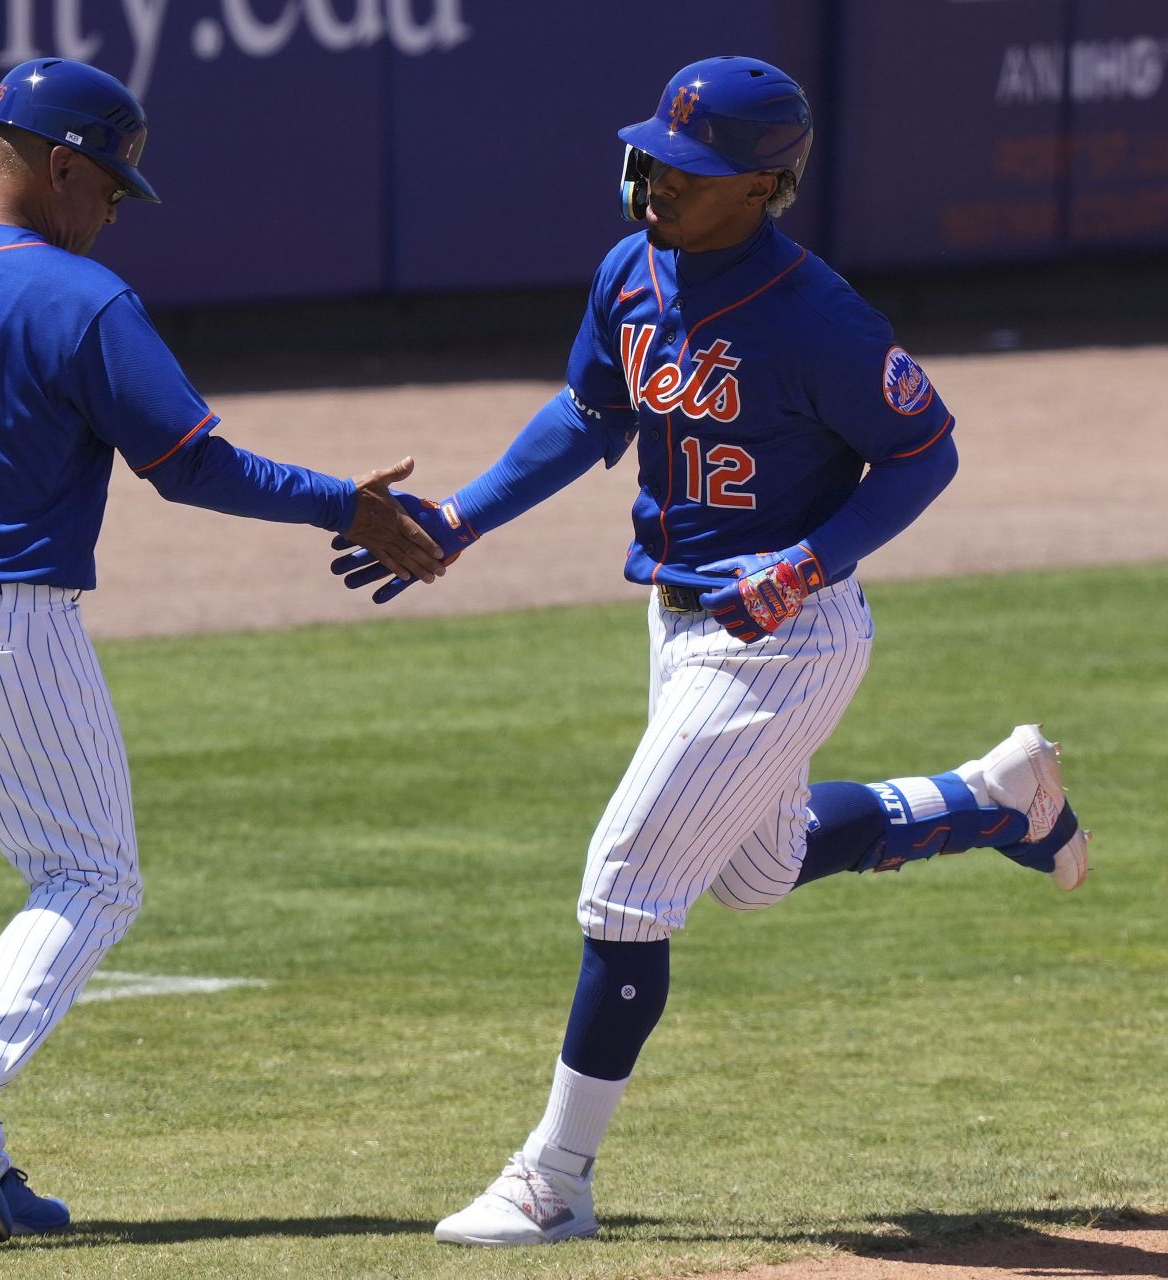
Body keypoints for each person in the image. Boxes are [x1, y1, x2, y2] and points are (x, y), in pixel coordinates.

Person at [329, 55, 1091, 1247]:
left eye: (689, 168)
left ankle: (553, 1179)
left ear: (764, 184)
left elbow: (925, 453)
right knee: (758, 869)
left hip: (787, 635)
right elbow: (588, 414)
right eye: (652, 156)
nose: (656, 181)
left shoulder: (820, 316)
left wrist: (807, 563)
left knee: (625, 884)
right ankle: (995, 797)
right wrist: (462, 518)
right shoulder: (629, 272)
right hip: (680, 620)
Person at [0, 58, 445, 1244]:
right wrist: (344, 504)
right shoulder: (79, 299)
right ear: (58, 164)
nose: (114, 208)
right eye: (109, 185)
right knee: (94, 875)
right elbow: (194, 466)